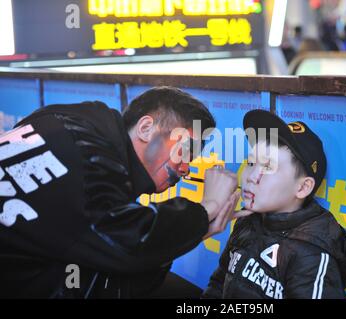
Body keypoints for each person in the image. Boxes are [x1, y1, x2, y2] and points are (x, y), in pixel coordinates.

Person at [0, 86, 243, 298]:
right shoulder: (87, 154)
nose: (187, 167)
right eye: (185, 149)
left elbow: (106, 272)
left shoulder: (55, 120)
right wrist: (206, 208)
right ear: (146, 128)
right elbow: (130, 242)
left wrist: (196, 231)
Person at [202, 110, 346, 299]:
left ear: (302, 187)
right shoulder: (247, 219)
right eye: (250, 163)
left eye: (268, 167)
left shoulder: (311, 252)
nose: (251, 177)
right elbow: (219, 284)